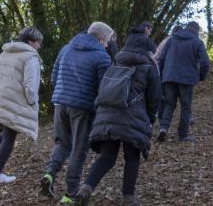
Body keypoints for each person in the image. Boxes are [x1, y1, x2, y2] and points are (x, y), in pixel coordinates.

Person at [75, 30, 161, 206]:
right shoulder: (149, 67)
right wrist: (150, 120)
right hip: (133, 118)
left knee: (106, 158)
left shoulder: (114, 63)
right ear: (148, 50)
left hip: (107, 116)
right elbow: (154, 99)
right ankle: (128, 197)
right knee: (132, 157)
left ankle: (86, 189)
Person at [40, 22, 113, 204]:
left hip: (60, 102)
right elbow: (104, 88)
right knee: (79, 150)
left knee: (62, 142)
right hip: (83, 107)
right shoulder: (101, 56)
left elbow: (54, 76)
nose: (108, 45)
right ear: (101, 38)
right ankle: (70, 193)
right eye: (108, 41)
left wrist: (61, 94)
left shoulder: (66, 48)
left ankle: (49, 174)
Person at [0, 27, 43, 189]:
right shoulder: (30, 57)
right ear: (30, 42)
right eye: (38, 42)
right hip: (15, 100)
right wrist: (32, 103)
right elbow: (31, 87)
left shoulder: (5, 53)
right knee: (10, 135)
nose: (39, 46)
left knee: (7, 131)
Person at [156, 21, 210, 142]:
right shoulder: (197, 42)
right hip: (186, 79)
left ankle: (163, 128)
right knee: (186, 106)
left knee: (169, 104)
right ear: (197, 30)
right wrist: (201, 76)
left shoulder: (171, 40)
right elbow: (205, 63)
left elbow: (161, 58)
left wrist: (161, 76)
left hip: (169, 77)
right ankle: (183, 134)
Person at [153, 25, 183, 125]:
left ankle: (162, 119)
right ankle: (162, 120)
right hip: (159, 70)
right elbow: (161, 58)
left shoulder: (167, 39)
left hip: (159, 69)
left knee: (164, 97)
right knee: (167, 98)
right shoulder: (171, 40)